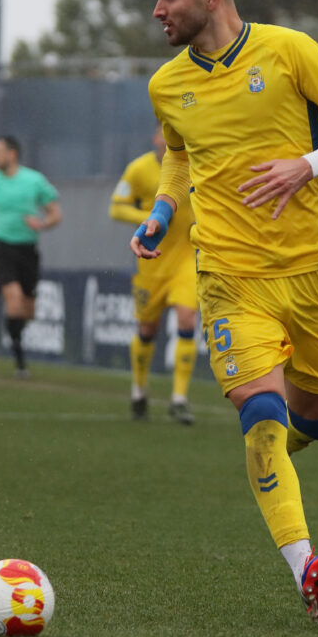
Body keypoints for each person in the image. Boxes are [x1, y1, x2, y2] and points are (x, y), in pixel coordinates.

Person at [132, 0, 318, 624]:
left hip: (310, 270)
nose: (157, 10)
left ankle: (269, 463)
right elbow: (179, 160)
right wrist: (161, 213)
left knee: (315, 421)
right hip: (228, 278)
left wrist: (311, 163)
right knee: (261, 417)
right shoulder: (166, 84)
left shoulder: (288, 51)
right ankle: (307, 566)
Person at [110, 125, 198, 424]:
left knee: (187, 318)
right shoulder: (139, 169)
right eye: (164, 134)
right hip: (151, 261)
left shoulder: (194, 165)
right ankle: (139, 390)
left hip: (186, 259)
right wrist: (146, 219)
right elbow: (117, 208)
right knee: (148, 329)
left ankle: (179, 398)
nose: (169, 139)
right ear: (156, 138)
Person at [0, 136, 61, 377]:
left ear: (12, 154)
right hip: (1, 248)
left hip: (27, 250)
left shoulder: (34, 180)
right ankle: (20, 362)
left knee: (28, 311)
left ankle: (15, 336)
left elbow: (56, 213)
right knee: (14, 302)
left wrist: (43, 224)